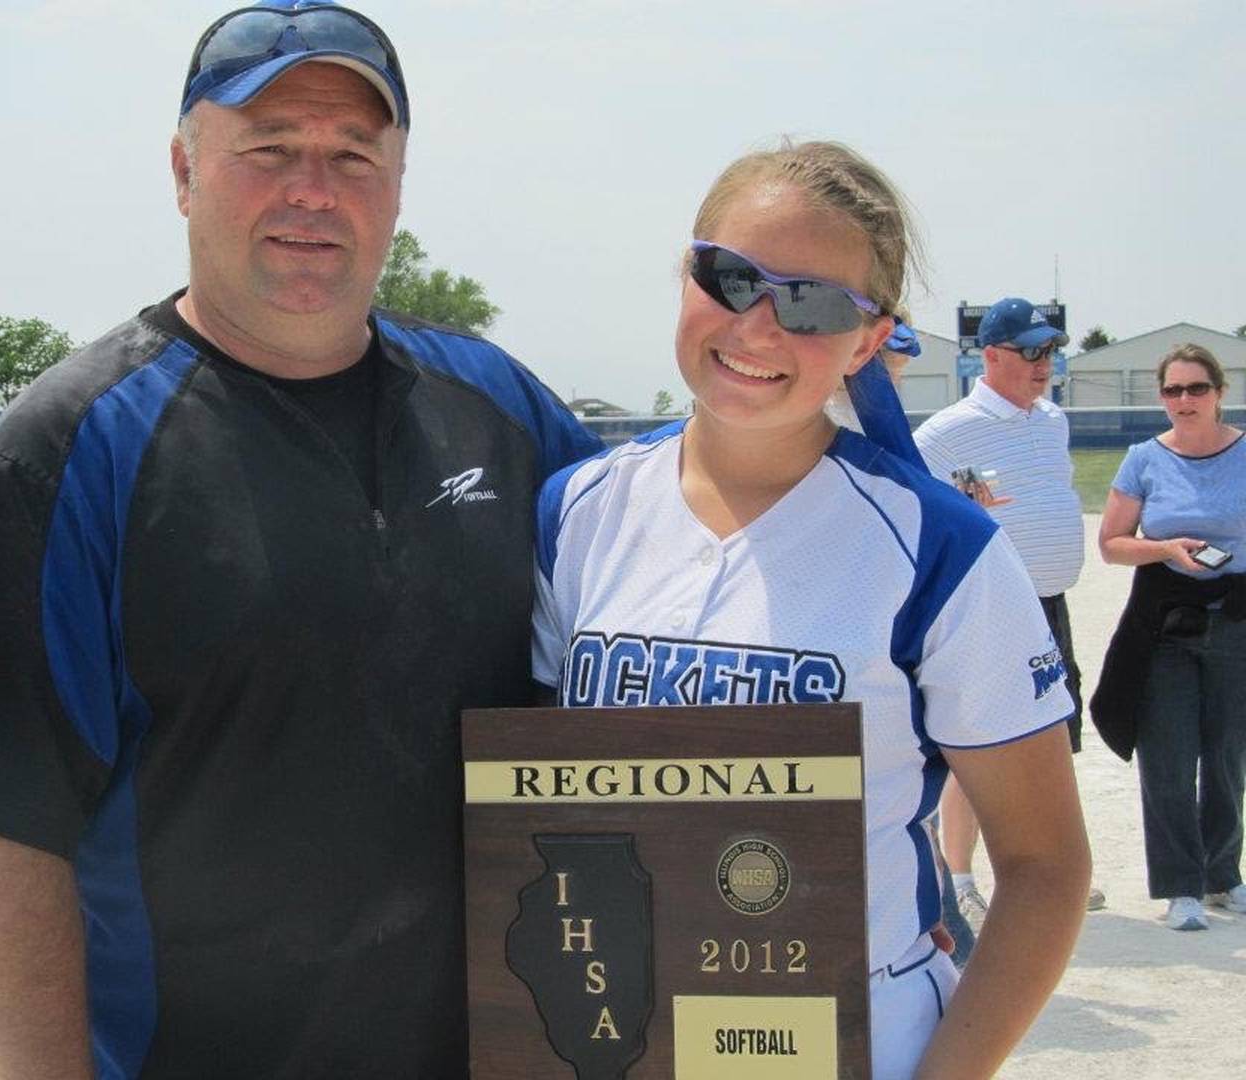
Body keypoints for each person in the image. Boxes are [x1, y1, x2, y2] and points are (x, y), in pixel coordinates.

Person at [0, 3, 600, 1077]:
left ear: (398, 185)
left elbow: (690, 564)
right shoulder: (68, 450)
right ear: (183, 171)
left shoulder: (500, 410)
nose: (313, 189)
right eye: (267, 150)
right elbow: (2, 829)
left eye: (352, 155)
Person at [532, 141, 1091, 1079]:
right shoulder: (576, 512)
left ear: (872, 341)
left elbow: (1044, 867)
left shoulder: (939, 548)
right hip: (614, 1033)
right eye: (731, 276)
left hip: (856, 1037)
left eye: (815, 303)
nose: (757, 328)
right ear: (687, 274)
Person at [912, 295, 1103, 934]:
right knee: (979, 745)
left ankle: (1047, 865)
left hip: (1049, 604)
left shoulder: (1052, 421)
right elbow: (918, 516)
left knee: (1048, 737)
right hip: (989, 610)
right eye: (1029, 351)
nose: (1043, 362)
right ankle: (960, 878)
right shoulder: (946, 432)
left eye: (1050, 349)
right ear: (990, 356)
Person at [1094, 343, 1246, 931]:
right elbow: (1111, 544)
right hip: (1162, 622)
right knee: (1168, 758)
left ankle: (1222, 875)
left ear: (1219, 391)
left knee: (1229, 754)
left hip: (1236, 617)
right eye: (1173, 390)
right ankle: (1180, 884)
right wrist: (1165, 549)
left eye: (1196, 389)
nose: (1184, 401)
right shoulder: (1143, 458)